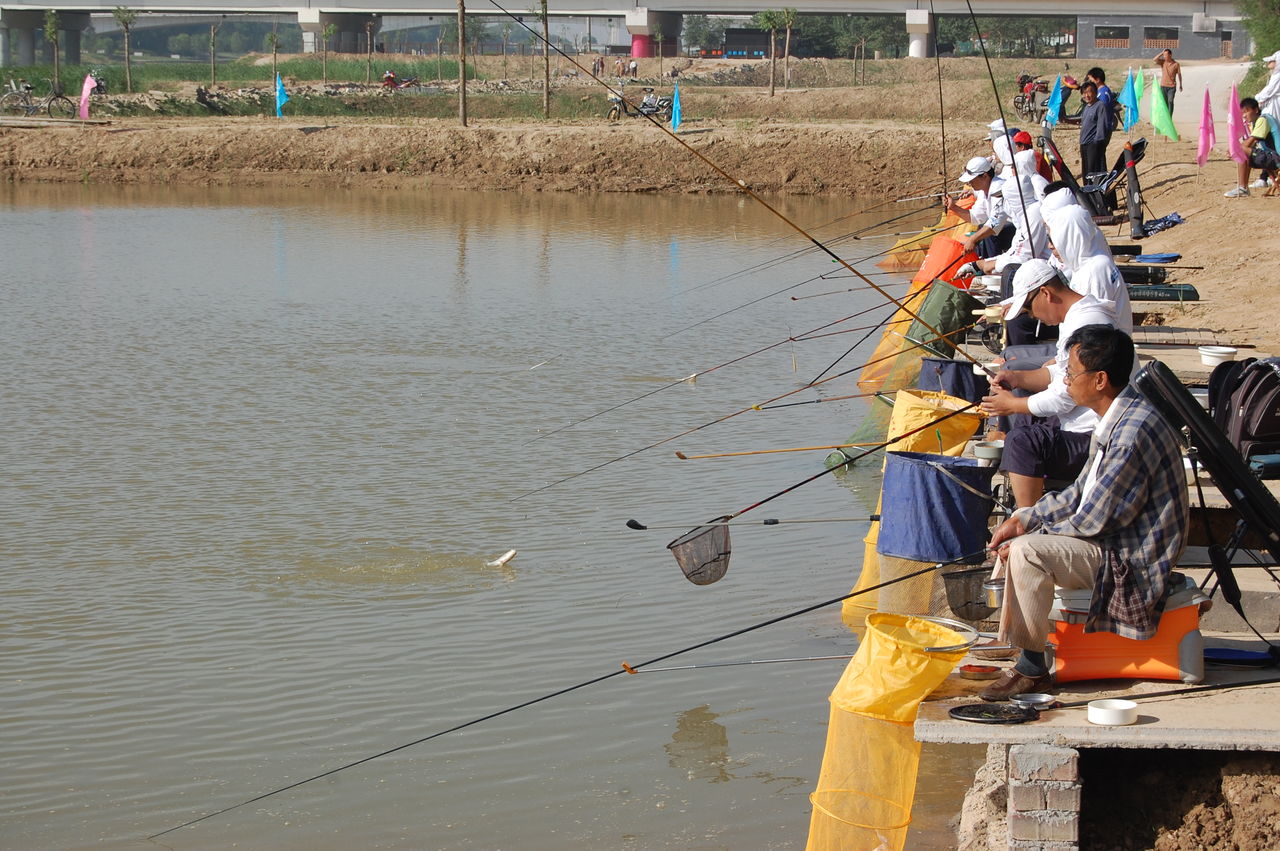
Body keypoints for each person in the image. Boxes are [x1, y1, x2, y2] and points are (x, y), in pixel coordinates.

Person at [979, 325, 1189, 700]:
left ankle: (1031, 666)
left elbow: (1095, 519)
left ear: (1100, 379)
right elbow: (1079, 491)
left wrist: (1034, 536)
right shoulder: (1116, 416)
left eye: (1071, 373)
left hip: (1130, 557)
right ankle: (1024, 651)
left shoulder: (1131, 433)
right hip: (1110, 538)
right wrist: (1024, 517)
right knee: (1021, 535)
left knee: (1029, 551)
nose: (1065, 380)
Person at [980, 259, 1125, 508]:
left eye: (1028, 308)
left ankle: (1025, 520)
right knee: (1026, 421)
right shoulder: (1077, 316)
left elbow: (1065, 394)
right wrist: (1017, 379)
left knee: (1021, 441)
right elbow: (1060, 372)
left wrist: (1013, 405)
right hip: (1080, 423)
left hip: (1095, 435)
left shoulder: (1086, 321)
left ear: (1046, 293)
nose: (1032, 316)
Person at [1040, 186, 1132, 326]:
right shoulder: (1085, 263)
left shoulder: (1095, 271)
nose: (1049, 246)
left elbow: (1095, 328)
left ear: (1068, 239)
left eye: (1054, 240)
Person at [946, 155, 1013, 259]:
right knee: (983, 228)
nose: (969, 183)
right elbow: (976, 217)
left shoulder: (998, 188)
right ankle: (986, 263)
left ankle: (992, 266)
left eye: (972, 179)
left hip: (1017, 229)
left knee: (988, 232)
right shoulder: (983, 190)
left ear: (985, 176)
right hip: (1002, 230)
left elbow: (995, 223)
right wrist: (953, 207)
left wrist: (973, 239)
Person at [1225, 97, 1280, 198]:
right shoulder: (1258, 122)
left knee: (1241, 150)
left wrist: (1234, 150)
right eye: (1242, 113)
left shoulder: (1263, 120)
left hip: (1276, 158)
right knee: (1245, 151)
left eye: (1246, 111)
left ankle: (1243, 188)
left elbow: (1249, 143)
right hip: (1273, 156)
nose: (1244, 115)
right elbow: (1251, 145)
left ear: (1256, 110)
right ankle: (1243, 187)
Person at [1078, 81, 1109, 181]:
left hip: (1093, 146)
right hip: (1084, 145)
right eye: (1084, 93)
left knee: (1094, 174)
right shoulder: (1086, 107)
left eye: (1089, 92)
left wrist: (1096, 143)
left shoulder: (1100, 106)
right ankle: (1087, 195)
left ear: (1095, 93)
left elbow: (1101, 127)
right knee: (1086, 174)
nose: (1086, 95)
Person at [1155, 48, 1182, 116]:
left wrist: (1180, 85)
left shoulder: (1176, 64)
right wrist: (1162, 53)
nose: (1164, 56)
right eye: (1164, 55)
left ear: (1170, 55)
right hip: (1163, 86)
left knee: (1170, 101)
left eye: (1166, 55)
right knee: (1165, 103)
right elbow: (1154, 59)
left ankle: (1170, 117)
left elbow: (1179, 75)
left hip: (1172, 87)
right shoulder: (1163, 62)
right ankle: (1166, 117)